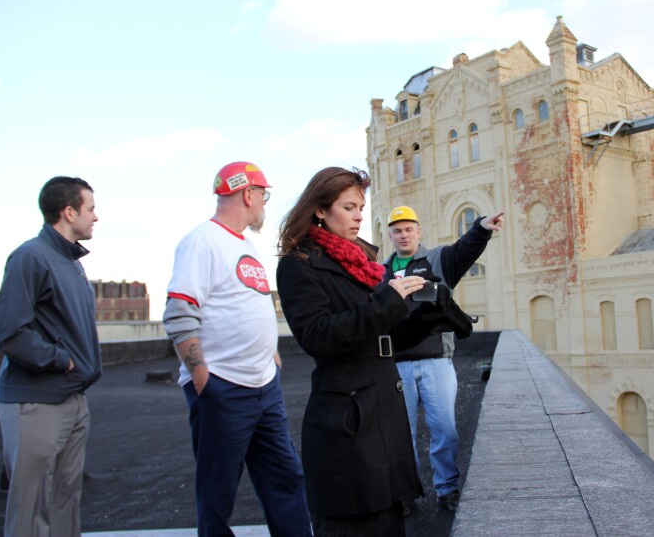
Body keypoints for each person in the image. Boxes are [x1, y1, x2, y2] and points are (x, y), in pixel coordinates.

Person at [276, 167, 452, 536]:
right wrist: (389, 300)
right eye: (349, 207)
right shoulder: (298, 264)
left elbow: (383, 337)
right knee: (356, 522)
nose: (359, 215)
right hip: (348, 418)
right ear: (320, 210)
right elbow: (316, 336)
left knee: (388, 521)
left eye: (361, 207)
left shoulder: (363, 264)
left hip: (381, 410)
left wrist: (429, 318)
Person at [163, 161, 311, 537]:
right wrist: (200, 377)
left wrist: (270, 356)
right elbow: (180, 313)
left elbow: (248, 302)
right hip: (223, 388)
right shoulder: (201, 241)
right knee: (217, 493)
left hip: (265, 386)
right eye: (263, 195)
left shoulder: (244, 244)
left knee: (286, 478)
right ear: (248, 194)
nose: (264, 203)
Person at [0, 176, 102, 537]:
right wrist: (60, 360)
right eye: (91, 208)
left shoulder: (72, 263)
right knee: (31, 509)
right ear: (69, 212)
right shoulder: (30, 257)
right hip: (36, 403)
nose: (96, 217)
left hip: (73, 399)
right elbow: (6, 330)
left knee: (65, 502)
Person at [383, 205, 504, 513]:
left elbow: (463, 251)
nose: (404, 235)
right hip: (397, 364)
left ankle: (447, 489)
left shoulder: (435, 259)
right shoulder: (380, 272)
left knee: (445, 430)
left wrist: (481, 228)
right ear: (390, 236)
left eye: (409, 228)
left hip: (436, 359)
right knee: (401, 436)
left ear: (418, 231)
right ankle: (406, 495)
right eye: (397, 230)